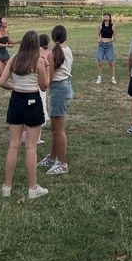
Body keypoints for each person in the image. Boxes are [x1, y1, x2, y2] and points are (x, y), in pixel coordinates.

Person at [0, 31, 50, 200]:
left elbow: (1, 82)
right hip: (33, 101)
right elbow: (44, 86)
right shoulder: (40, 62)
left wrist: (15, 87)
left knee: (13, 145)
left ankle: (7, 186)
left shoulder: (13, 59)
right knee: (31, 147)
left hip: (16, 101)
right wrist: (47, 71)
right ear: (36, 45)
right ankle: (32, 188)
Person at [38, 25, 73, 176]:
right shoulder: (68, 50)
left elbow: (49, 78)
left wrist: (40, 82)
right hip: (63, 88)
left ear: (53, 38)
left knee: (59, 130)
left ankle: (62, 163)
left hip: (59, 90)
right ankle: (52, 158)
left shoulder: (52, 54)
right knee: (54, 128)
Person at [0, 17, 18, 92]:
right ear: (0, 24)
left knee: (12, 67)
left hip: (4, 52)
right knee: (0, 72)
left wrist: (19, 42)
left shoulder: (6, 31)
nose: (6, 22)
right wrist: (7, 45)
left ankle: (16, 83)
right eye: (4, 21)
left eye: (6, 21)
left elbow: (9, 41)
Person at [95, 13, 117, 84]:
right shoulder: (100, 26)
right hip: (101, 45)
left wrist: (112, 39)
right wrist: (98, 39)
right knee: (100, 62)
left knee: (111, 62)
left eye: (107, 17)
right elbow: (98, 34)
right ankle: (99, 78)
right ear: (103, 18)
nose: (106, 18)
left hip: (109, 46)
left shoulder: (113, 26)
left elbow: (114, 36)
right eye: (105, 17)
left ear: (110, 18)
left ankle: (113, 78)